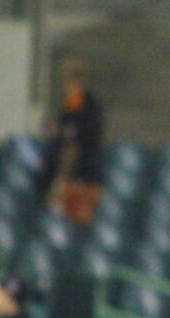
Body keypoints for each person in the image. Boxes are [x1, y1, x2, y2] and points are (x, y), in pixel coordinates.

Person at [38, 56, 104, 224]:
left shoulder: (77, 104)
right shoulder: (92, 104)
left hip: (76, 183)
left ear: (70, 80)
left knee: (64, 226)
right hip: (89, 179)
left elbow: (72, 146)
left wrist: (60, 183)